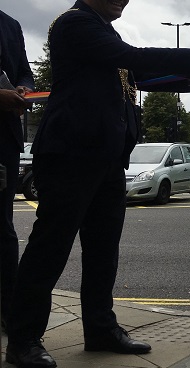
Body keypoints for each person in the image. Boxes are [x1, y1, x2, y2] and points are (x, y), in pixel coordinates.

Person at [5, 1, 190, 367]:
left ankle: (101, 329)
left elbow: (128, 72)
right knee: (50, 248)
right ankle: (23, 340)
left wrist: (186, 78)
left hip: (106, 153)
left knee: (104, 248)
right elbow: (128, 55)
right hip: (70, 151)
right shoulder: (74, 23)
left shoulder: (99, 27)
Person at [0, 9, 35, 334]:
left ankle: (9, 312)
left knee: (3, 228)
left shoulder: (10, 24)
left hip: (3, 141)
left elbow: (24, 71)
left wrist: (24, 88)